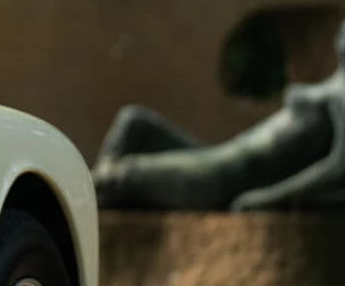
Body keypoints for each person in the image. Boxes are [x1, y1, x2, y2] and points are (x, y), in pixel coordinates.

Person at [93, 20, 345, 210]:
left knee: (119, 176)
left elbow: (335, 171)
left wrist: (266, 199)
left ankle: (86, 215)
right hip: (217, 156)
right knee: (133, 121)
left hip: (221, 181)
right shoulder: (330, 88)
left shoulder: (340, 99)